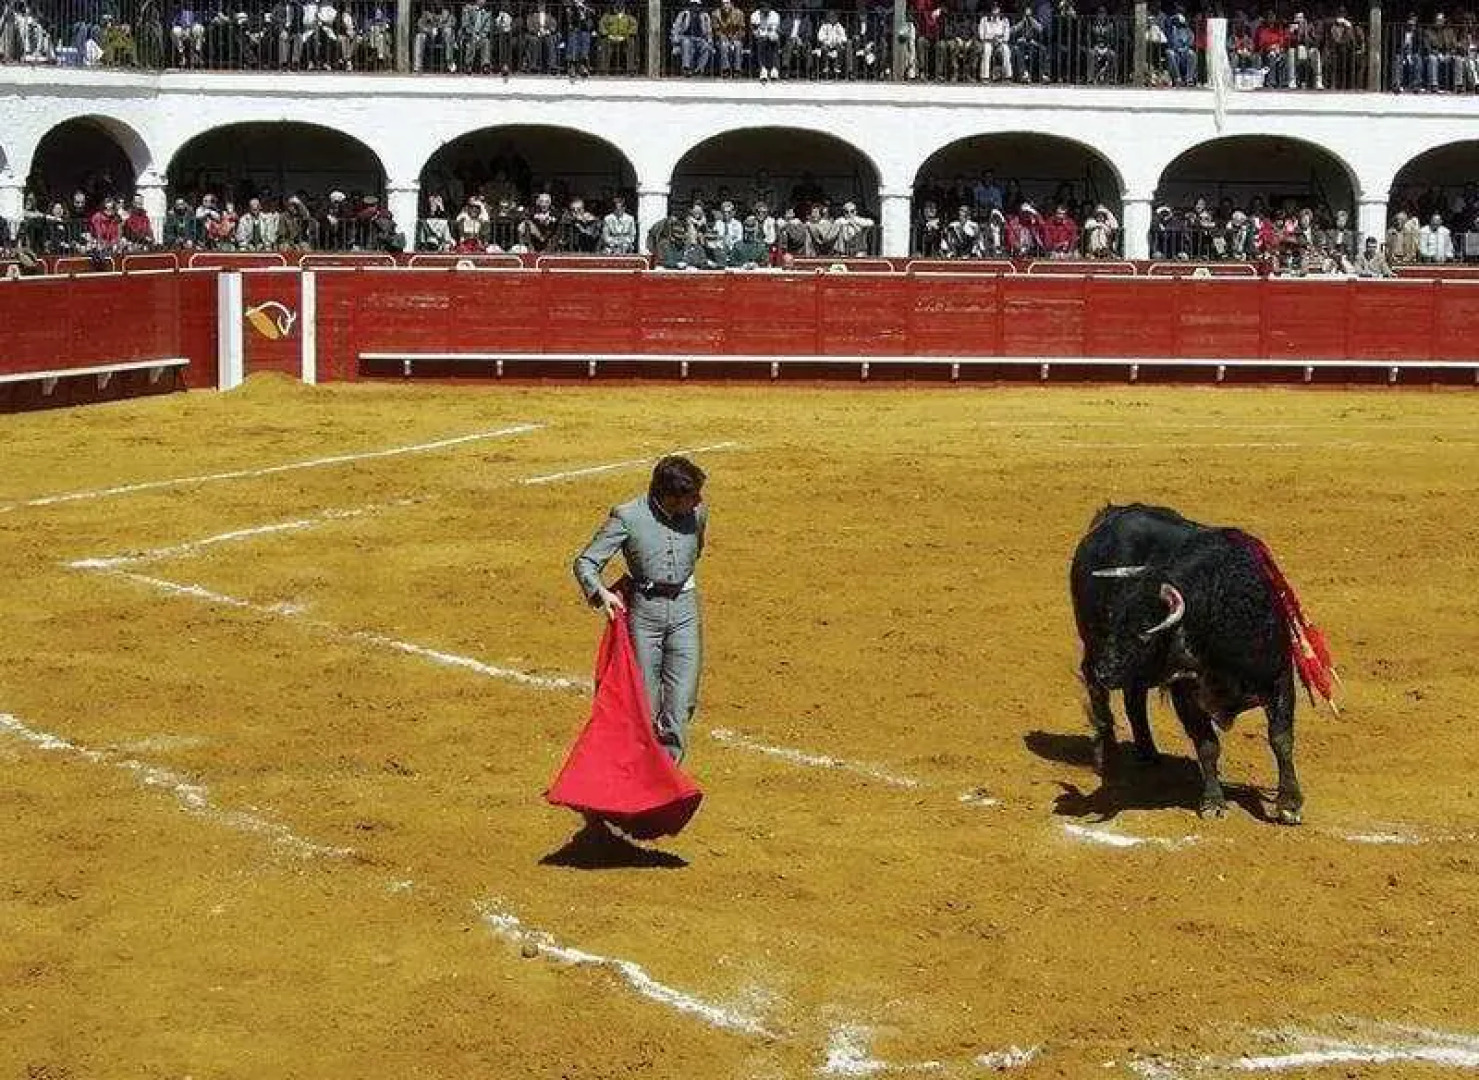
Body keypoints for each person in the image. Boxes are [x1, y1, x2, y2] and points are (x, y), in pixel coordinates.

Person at [573, 456, 708, 764]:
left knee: (682, 701)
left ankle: (666, 774)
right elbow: (587, 562)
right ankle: (640, 774)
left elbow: (695, 550)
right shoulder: (628, 517)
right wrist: (601, 593)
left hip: (685, 610)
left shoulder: (698, 513)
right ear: (669, 497)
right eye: (692, 497)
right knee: (644, 702)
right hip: (644, 614)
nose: (699, 502)